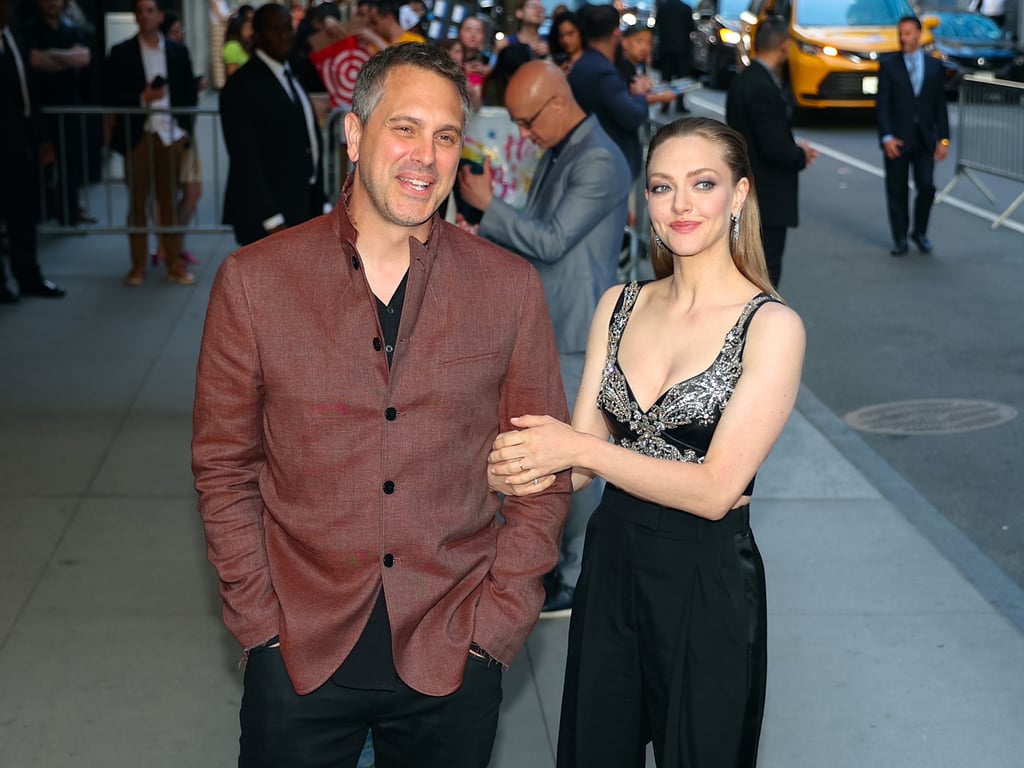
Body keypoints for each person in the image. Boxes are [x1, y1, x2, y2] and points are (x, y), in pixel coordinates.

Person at [192, 42, 571, 768]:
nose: (425, 155)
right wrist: (259, 627)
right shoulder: (255, 282)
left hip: (452, 660)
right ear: (355, 134)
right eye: (405, 128)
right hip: (300, 660)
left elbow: (540, 476)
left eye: (446, 136)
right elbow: (224, 466)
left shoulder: (507, 289)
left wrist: (497, 628)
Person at [487, 115, 805, 768]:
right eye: (662, 187)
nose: (681, 204)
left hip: (708, 580)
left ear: (740, 195)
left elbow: (716, 489)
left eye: (703, 183)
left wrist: (579, 452)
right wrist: (504, 462)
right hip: (612, 567)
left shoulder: (771, 327)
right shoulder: (618, 305)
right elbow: (571, 468)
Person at [458, 60, 629, 617]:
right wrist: (485, 234)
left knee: (577, 461)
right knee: (551, 452)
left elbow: (553, 241)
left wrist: (488, 208)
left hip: (578, 330)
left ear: (558, 103)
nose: (524, 135)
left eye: (528, 123)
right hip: (553, 322)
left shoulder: (598, 158)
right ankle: (558, 566)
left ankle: (576, 577)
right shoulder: (567, 148)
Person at [102, 0, 198, 286]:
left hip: (170, 134)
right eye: (140, 10)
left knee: (169, 201)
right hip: (137, 134)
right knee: (138, 202)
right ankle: (138, 264)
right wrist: (141, 99)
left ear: (159, 15)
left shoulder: (177, 51)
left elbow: (188, 94)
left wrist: (185, 132)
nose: (144, 15)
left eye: (150, 10)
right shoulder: (121, 52)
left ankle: (173, 263)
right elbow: (109, 93)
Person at [219, 2, 325, 246]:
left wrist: (320, 200)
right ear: (257, 35)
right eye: (274, 29)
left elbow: (306, 139)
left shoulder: (292, 74)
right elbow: (245, 159)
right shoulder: (241, 87)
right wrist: (272, 220)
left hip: (301, 207)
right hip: (267, 220)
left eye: (287, 28)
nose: (284, 36)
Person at [725, 16, 817, 287]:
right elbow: (773, 147)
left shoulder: (745, 79)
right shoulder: (763, 87)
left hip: (748, 186)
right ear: (784, 46)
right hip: (767, 194)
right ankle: (759, 326)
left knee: (748, 266)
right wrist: (800, 155)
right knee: (765, 271)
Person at [0, 0, 66, 303]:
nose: (9, 9)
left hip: (24, 145)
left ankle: (29, 277)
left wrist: (43, 140)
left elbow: (29, 93)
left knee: (24, 216)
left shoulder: (14, 36)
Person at [876, 14, 949, 256]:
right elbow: (882, 104)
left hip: (925, 139)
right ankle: (900, 237)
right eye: (900, 34)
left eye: (907, 33)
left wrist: (944, 139)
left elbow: (940, 105)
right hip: (897, 139)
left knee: (926, 186)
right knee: (897, 190)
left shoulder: (934, 66)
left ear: (918, 34)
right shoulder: (888, 65)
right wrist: (886, 136)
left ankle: (919, 232)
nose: (903, 38)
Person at [24, 0, 94, 226]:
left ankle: (69, 211)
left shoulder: (72, 29)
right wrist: (66, 58)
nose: (52, 2)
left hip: (70, 105)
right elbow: (34, 60)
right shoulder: (30, 29)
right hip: (39, 106)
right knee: (41, 160)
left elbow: (83, 58)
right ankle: (42, 212)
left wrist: (50, 56)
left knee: (70, 161)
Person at [568, 4, 651, 180]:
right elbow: (632, 116)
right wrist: (640, 93)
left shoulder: (584, 64)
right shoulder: (602, 72)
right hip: (609, 164)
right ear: (616, 33)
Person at [616, 23, 675, 110]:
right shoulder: (622, 67)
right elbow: (624, 103)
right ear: (624, 42)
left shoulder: (630, 66)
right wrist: (660, 97)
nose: (645, 48)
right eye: (639, 41)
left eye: (649, 43)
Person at [654, 0, 695, 113]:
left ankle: (665, 104)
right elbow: (691, 27)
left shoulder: (663, 8)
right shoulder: (686, 8)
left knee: (666, 77)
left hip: (665, 48)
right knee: (681, 78)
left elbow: (657, 24)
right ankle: (680, 104)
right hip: (682, 49)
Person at [222, 8, 253, 79]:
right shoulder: (232, 46)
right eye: (247, 28)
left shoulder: (245, 45)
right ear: (238, 29)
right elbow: (232, 75)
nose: (251, 32)